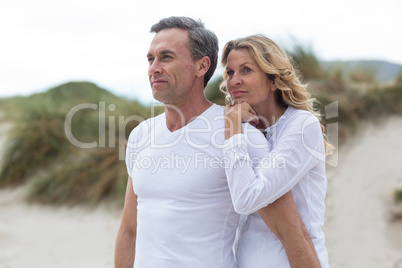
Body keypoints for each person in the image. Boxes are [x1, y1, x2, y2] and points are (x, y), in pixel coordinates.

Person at [115, 16, 319, 268]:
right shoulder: (141, 135)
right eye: (150, 58)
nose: (154, 67)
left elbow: (291, 232)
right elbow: (129, 230)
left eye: (166, 57)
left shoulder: (242, 136)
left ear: (202, 66)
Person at [222, 34, 334, 267]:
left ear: (273, 80)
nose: (234, 81)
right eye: (231, 72)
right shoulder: (246, 129)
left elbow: (246, 199)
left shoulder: (302, 125)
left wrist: (232, 127)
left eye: (246, 70)